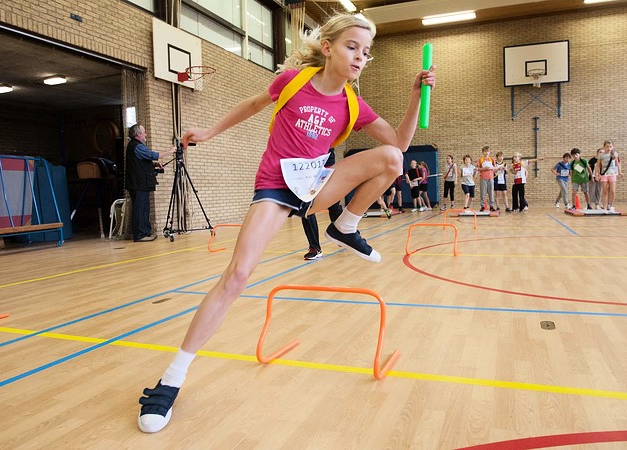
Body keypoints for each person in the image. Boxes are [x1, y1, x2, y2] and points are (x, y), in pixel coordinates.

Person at [137, 13, 436, 433]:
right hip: (277, 188)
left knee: (392, 158)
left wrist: (413, 95)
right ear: (329, 47)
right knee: (237, 275)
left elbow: (399, 144)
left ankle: (345, 225)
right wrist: (210, 130)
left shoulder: (353, 104)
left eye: (366, 53)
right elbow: (253, 105)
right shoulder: (292, 81)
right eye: (353, 47)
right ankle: (171, 380)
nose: (360, 57)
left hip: (316, 184)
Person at [125, 123, 175, 242]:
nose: (146, 134)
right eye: (144, 132)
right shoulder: (137, 146)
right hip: (139, 184)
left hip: (141, 184)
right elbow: (154, 155)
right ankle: (140, 235)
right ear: (138, 134)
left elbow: (141, 162)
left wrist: (154, 165)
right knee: (140, 209)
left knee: (145, 209)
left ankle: (145, 232)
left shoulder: (135, 146)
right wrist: (170, 151)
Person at [301, 148, 343, 260]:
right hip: (307, 170)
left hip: (326, 168)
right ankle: (315, 248)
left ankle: (342, 234)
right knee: (306, 208)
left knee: (334, 206)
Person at [595, 140, 622, 213]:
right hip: (604, 174)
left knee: (612, 191)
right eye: (607, 147)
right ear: (604, 147)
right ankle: (604, 207)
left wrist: (620, 172)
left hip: (612, 174)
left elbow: (617, 163)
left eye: (610, 147)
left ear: (613, 147)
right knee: (604, 191)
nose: (609, 148)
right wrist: (597, 175)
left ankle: (611, 206)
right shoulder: (601, 155)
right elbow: (597, 166)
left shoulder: (614, 154)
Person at [477, 146, 496, 211]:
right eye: (485, 151)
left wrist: (492, 168)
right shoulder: (480, 160)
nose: (486, 153)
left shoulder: (492, 159)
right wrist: (484, 169)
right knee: (483, 192)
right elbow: (478, 169)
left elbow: (494, 168)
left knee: (491, 192)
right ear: (483, 152)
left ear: (489, 152)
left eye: (487, 151)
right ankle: (482, 206)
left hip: (491, 178)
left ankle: (491, 206)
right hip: (483, 178)